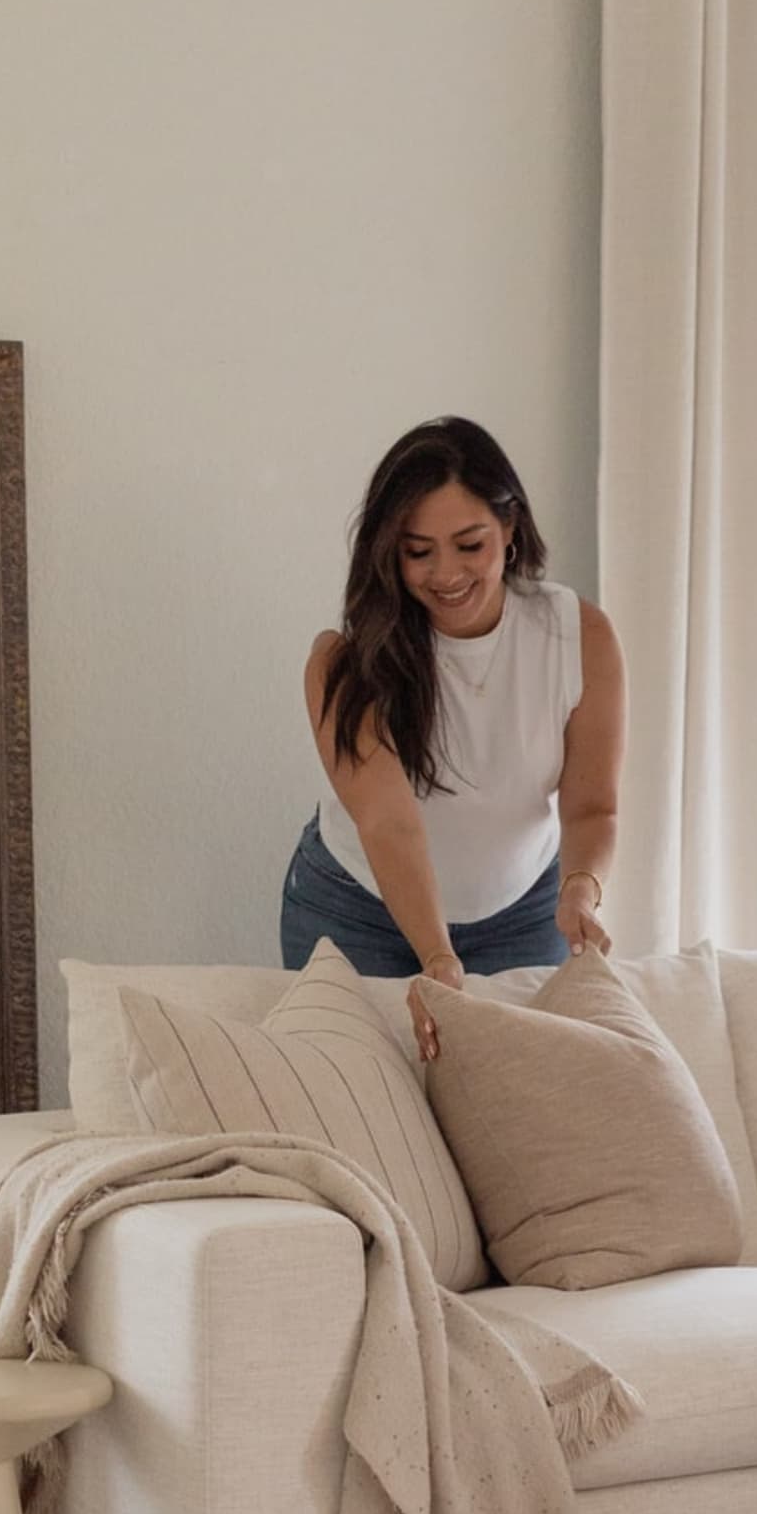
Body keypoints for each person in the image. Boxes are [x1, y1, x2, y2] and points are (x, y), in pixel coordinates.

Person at [281, 417, 625, 1060]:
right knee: (357, 1103)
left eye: (471, 545)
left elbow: (592, 806)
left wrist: (581, 887)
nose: (447, 573)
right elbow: (388, 822)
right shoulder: (347, 663)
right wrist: (437, 956)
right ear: (390, 551)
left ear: (511, 531)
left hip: (524, 912)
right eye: (419, 551)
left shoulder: (580, 636)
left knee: (513, 1107)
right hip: (359, 910)